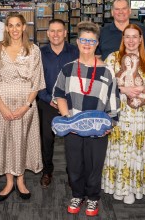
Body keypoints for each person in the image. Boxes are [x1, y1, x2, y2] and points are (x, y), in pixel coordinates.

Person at [53, 21, 119, 217]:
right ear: (77, 42)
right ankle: (77, 194)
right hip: (72, 127)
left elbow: (113, 101)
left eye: (91, 41)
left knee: (94, 164)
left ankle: (92, 198)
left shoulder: (107, 71)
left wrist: (111, 123)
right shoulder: (68, 68)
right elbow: (59, 95)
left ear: (97, 43)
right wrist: (68, 120)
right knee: (74, 164)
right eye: (83, 40)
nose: (87, 44)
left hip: (98, 129)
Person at [0, 12, 45, 202]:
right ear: (6, 28)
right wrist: (1, 106)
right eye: (11, 25)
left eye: (18, 25)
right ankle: (9, 182)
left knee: (22, 141)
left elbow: (37, 81)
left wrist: (26, 106)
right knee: (6, 142)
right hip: (2, 103)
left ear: (24, 27)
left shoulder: (33, 50)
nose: (15, 29)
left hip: (25, 104)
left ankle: (21, 181)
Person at [102, 24, 145, 204]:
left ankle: (137, 187)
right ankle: (121, 187)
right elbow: (104, 84)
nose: (131, 40)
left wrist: (141, 89)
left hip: (142, 115)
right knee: (121, 149)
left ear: (141, 39)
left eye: (135, 36)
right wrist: (123, 88)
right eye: (127, 36)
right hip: (119, 111)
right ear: (123, 39)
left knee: (138, 149)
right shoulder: (112, 59)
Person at [38, 19, 79, 188]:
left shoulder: (75, 52)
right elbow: (36, 81)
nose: (56, 34)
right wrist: (49, 99)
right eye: (52, 31)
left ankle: (73, 173)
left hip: (70, 104)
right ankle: (47, 171)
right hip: (46, 102)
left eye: (59, 31)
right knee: (47, 139)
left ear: (65, 33)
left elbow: (79, 77)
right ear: (47, 33)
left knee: (72, 140)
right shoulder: (39, 53)